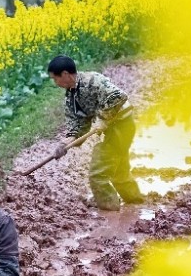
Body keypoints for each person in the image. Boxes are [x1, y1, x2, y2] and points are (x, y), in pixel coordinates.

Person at [47, 55, 145, 211]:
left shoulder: (93, 80)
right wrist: (65, 143)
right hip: (112, 129)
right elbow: (78, 123)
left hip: (122, 126)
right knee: (119, 171)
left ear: (65, 74)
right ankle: (135, 202)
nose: (55, 83)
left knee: (98, 174)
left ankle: (109, 212)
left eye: (55, 78)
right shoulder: (71, 96)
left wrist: (103, 118)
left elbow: (118, 96)